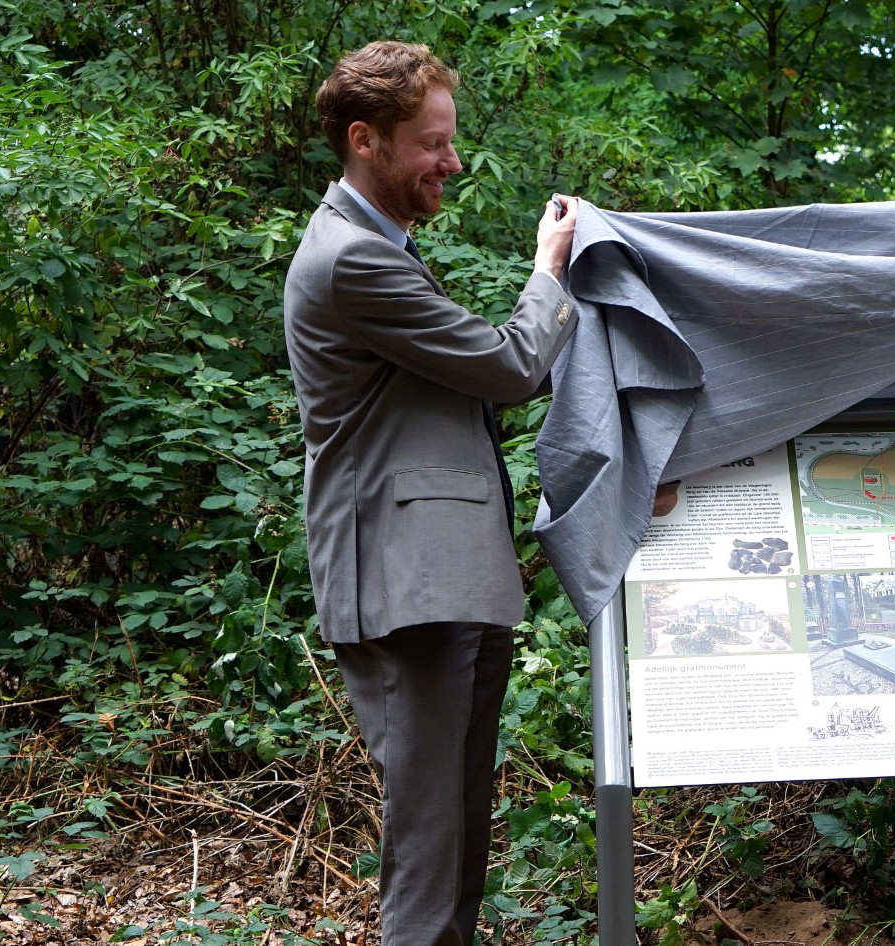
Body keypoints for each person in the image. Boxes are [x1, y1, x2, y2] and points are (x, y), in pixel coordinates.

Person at [283, 40, 583, 946]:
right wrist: (549, 270)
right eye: (433, 144)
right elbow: (508, 365)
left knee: (454, 830)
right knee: (427, 843)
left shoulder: (381, 247)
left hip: (445, 578)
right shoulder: (351, 260)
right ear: (366, 140)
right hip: (405, 586)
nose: (451, 162)